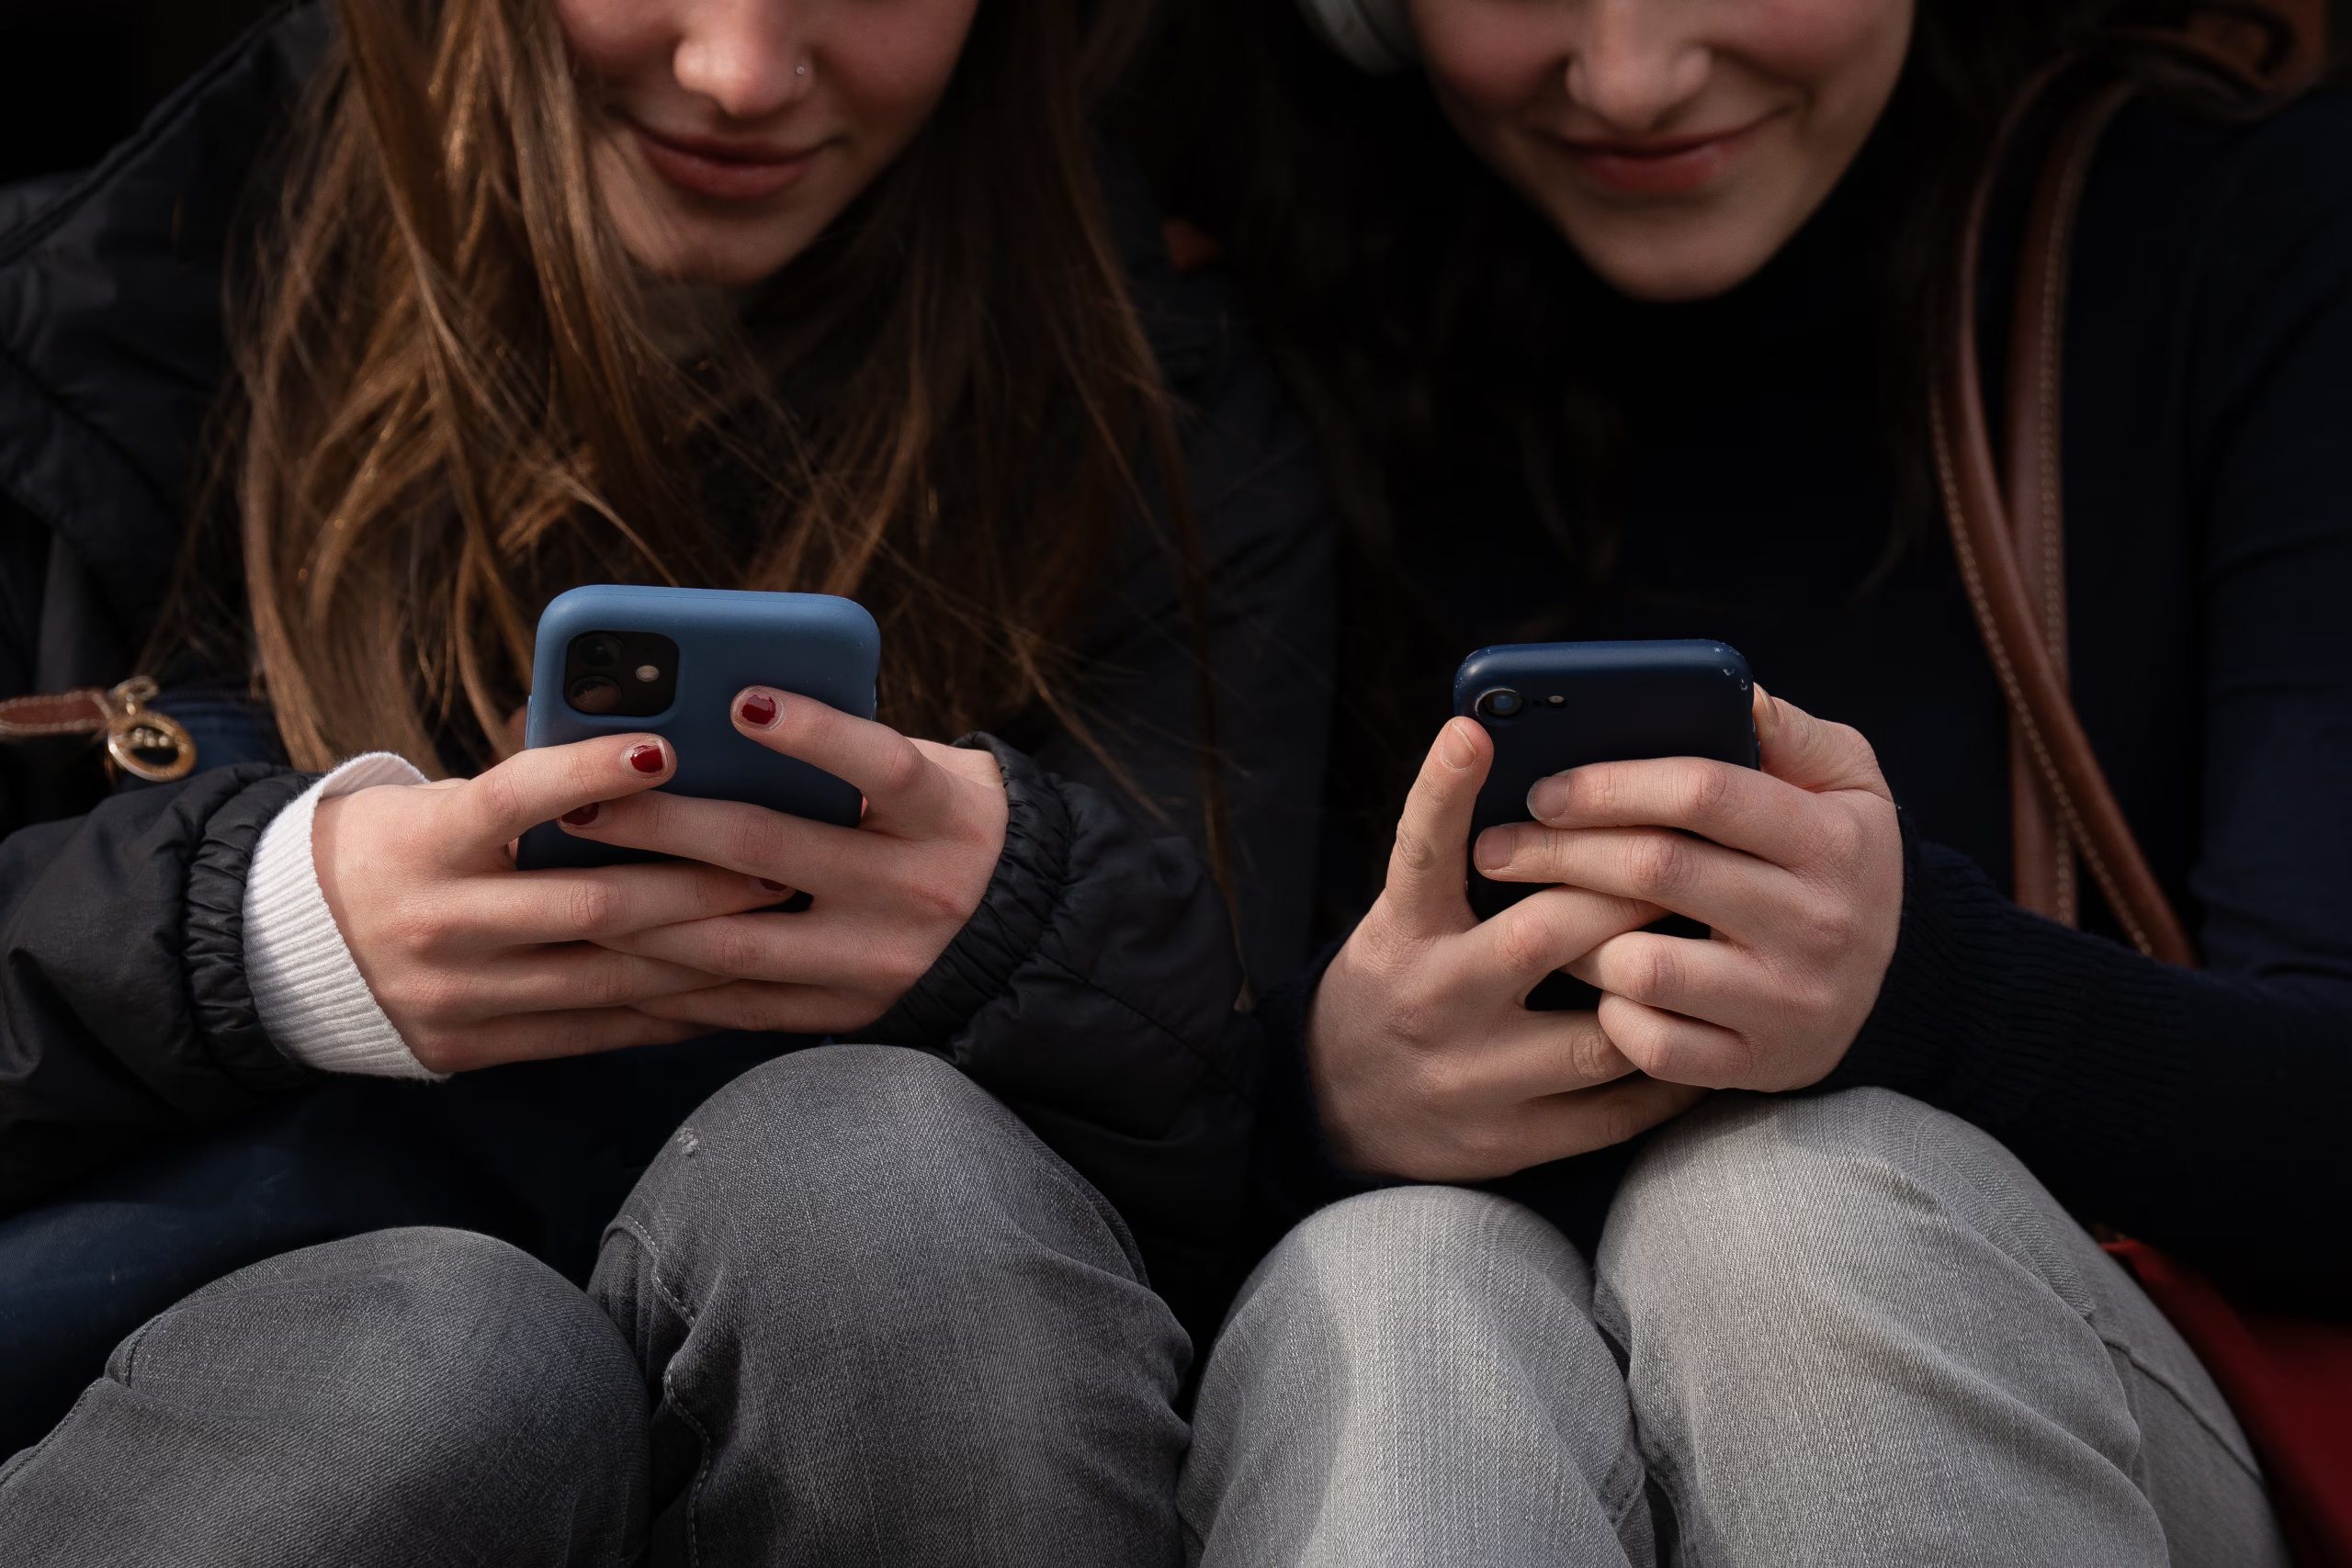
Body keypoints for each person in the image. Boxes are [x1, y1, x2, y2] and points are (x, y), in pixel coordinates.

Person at [0, 0, 1332, 1556]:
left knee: (890, 1188)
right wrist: (254, 934)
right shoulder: (82, 328)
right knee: (438, 1369)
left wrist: (1035, 930)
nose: (740, 73)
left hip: (884, 1365)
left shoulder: (1164, 405)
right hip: (182, 1401)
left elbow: (1247, 1172)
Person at [1115, 0, 2350, 1562]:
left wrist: (1924, 989)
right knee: (1397, 1282)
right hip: (1459, 1391)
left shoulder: (2241, 229)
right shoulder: (1223, 295)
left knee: (1789, 1217)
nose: (1633, 79)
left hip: (2075, 1408)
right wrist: (1330, 1099)